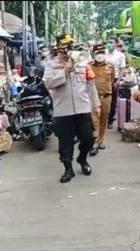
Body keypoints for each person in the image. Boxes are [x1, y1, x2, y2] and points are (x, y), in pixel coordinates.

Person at [43, 33, 101, 183]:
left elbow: (90, 86)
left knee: (89, 137)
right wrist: (65, 71)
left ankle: (82, 158)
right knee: (65, 142)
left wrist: (96, 105)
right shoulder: (51, 64)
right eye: (64, 44)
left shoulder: (82, 62)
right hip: (63, 110)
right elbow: (48, 83)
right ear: (58, 46)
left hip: (83, 108)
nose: (68, 47)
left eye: (70, 44)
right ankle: (68, 169)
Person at [89, 44, 115, 156]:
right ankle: (94, 142)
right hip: (93, 98)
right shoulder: (88, 66)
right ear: (94, 54)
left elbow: (112, 80)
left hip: (106, 97)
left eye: (102, 53)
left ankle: (101, 141)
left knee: (104, 120)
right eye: (98, 53)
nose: (100, 55)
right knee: (94, 121)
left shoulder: (110, 66)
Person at [105, 41, 126, 129]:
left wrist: (118, 81)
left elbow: (122, 68)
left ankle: (110, 121)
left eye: (111, 42)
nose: (109, 44)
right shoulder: (103, 53)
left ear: (115, 44)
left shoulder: (120, 55)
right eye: (108, 42)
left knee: (113, 100)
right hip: (103, 79)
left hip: (115, 79)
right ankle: (102, 119)